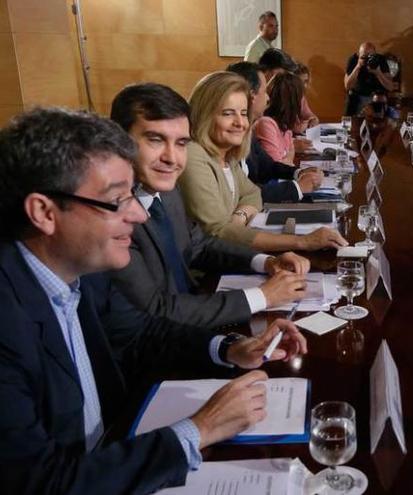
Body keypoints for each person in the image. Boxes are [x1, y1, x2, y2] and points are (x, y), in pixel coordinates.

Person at [0, 107, 308, 494]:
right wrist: (199, 430)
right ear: (44, 212)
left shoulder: (80, 270)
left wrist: (229, 348)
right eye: (116, 201)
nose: (138, 215)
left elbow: (141, 333)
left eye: (133, 196)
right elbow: (45, 483)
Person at [108, 82, 311, 329]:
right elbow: (156, 310)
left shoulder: (167, 191)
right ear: (118, 142)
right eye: (155, 140)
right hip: (162, 342)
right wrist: (263, 296)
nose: (171, 158)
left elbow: (200, 245)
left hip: (195, 321)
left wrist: (266, 261)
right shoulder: (112, 216)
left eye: (181, 143)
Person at [178, 71, 347, 252]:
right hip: (208, 273)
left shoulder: (225, 153)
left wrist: (239, 217)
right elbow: (218, 233)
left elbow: (253, 194)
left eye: (243, 113)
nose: (240, 123)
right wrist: (303, 241)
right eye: (228, 113)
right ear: (205, 115)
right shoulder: (193, 155)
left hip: (234, 252)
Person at [227, 61, 321, 203]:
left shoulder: (247, 132)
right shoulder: (231, 138)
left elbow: (269, 166)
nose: (268, 97)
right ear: (252, 96)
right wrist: (298, 187)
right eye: (265, 92)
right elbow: (246, 194)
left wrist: (299, 173)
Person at [343, 42, 394, 116]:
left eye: (370, 56)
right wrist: (358, 66)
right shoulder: (353, 60)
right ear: (359, 55)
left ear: (375, 54)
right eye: (364, 57)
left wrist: (378, 72)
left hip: (376, 99)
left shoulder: (380, 60)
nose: (367, 60)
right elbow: (347, 86)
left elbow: (390, 87)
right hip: (357, 97)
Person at [292, 63, 320, 132]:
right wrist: (306, 123)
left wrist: (313, 119)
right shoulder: (284, 98)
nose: (304, 86)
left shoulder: (301, 97)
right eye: (300, 82)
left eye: (306, 81)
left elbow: (309, 115)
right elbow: (296, 128)